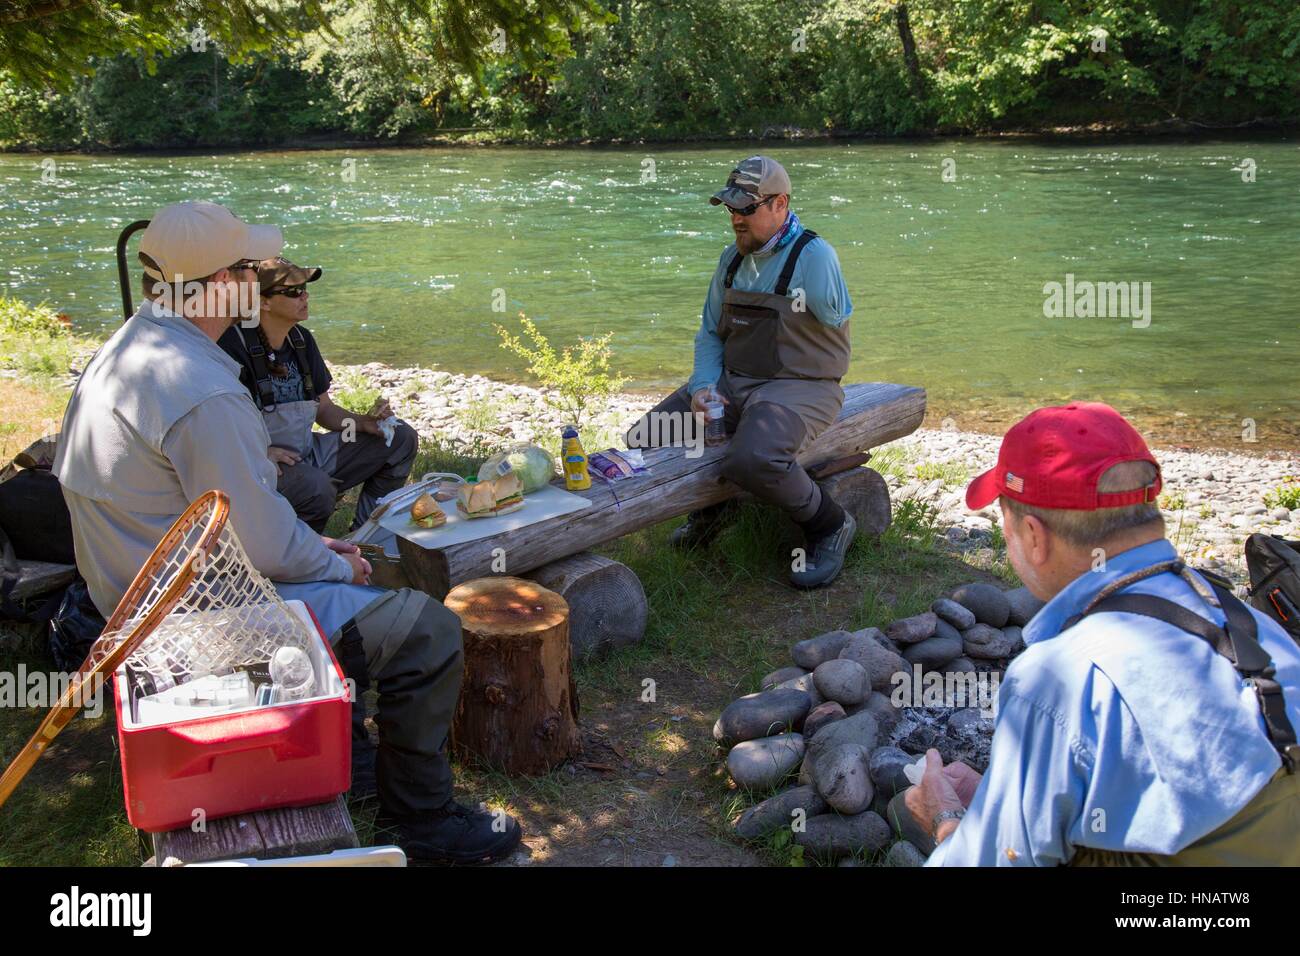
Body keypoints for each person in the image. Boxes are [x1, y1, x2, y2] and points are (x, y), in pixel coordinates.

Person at [54, 201, 522, 865]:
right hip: (198, 625)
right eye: (252, 267)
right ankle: (423, 819)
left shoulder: (130, 350)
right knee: (425, 628)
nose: (265, 274)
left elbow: (234, 519)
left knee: (346, 576)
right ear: (222, 285)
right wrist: (338, 565)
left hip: (135, 595)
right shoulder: (200, 390)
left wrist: (310, 548)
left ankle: (349, 753)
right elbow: (265, 544)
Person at [907, 402, 1300, 865]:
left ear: (1033, 535)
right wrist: (1004, 800)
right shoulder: (1255, 628)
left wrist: (946, 820)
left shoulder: (1060, 678)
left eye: (1005, 522)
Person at [625, 155, 856, 588]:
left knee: (752, 459)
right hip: (733, 382)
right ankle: (717, 509)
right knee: (645, 438)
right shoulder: (731, 260)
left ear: (780, 204)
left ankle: (829, 524)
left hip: (801, 386)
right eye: (731, 209)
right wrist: (703, 387)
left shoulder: (815, 256)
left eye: (746, 209)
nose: (735, 219)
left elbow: (839, 321)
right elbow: (710, 333)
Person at [217, 257, 418, 533]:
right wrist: (259, 453)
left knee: (399, 436)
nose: (305, 296)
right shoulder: (232, 346)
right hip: (261, 465)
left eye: (305, 289)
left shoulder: (301, 340)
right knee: (317, 489)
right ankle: (305, 557)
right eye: (293, 291)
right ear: (263, 301)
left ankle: (366, 536)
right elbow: (219, 424)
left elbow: (323, 409)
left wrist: (362, 423)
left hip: (306, 453)